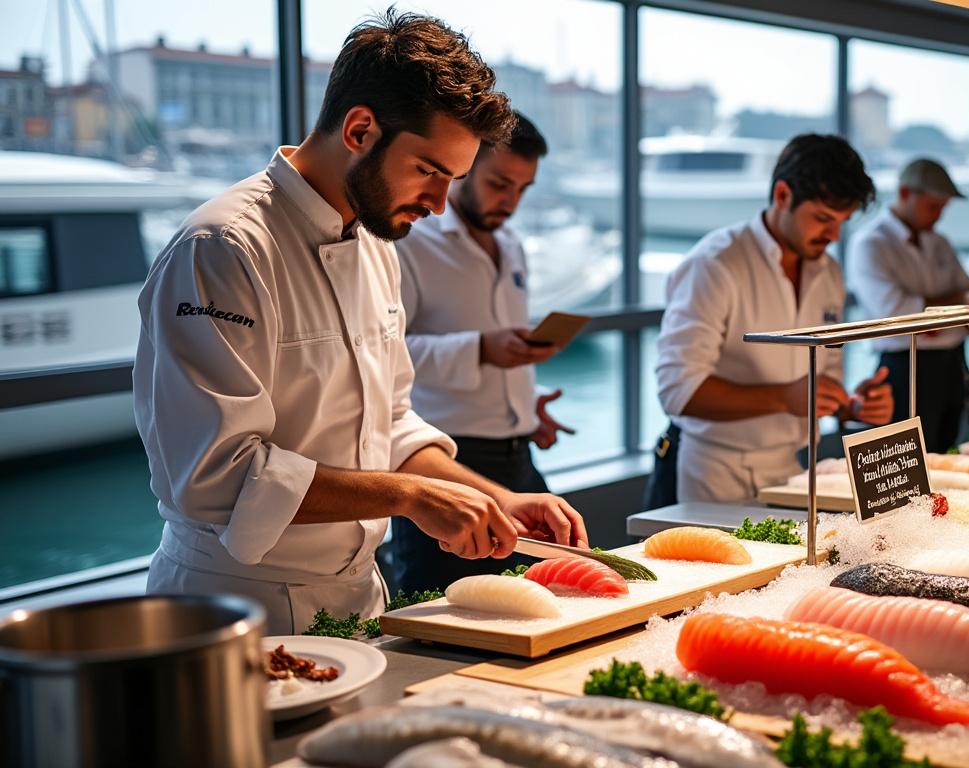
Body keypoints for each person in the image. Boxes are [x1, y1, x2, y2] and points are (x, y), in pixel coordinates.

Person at [133, 11, 586, 635]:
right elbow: (215, 475)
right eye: (429, 170)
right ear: (360, 129)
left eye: (452, 179)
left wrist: (495, 499)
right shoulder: (224, 248)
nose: (438, 203)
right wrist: (410, 497)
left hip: (358, 598)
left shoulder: (376, 243)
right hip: (237, 606)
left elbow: (393, 423)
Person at [653, 134, 894, 503]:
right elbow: (678, 391)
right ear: (782, 195)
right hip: (715, 471)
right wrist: (785, 397)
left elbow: (824, 373)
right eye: (823, 218)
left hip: (793, 469)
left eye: (842, 222)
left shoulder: (829, 272)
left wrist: (851, 404)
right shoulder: (715, 264)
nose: (833, 235)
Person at [391, 112, 570, 593]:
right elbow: (385, 356)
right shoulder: (409, 243)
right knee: (439, 611)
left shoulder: (511, 245)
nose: (510, 201)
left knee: (554, 591)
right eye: (499, 183)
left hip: (518, 456)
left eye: (522, 189)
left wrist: (525, 408)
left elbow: (498, 342)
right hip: (440, 457)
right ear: (466, 168)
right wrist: (480, 350)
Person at [848, 158, 969, 453]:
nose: (939, 216)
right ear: (906, 194)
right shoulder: (871, 243)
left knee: (944, 457)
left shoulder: (940, 242)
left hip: (952, 363)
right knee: (902, 466)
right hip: (903, 369)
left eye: (943, 208)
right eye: (933, 207)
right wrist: (954, 308)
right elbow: (895, 313)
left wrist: (940, 314)